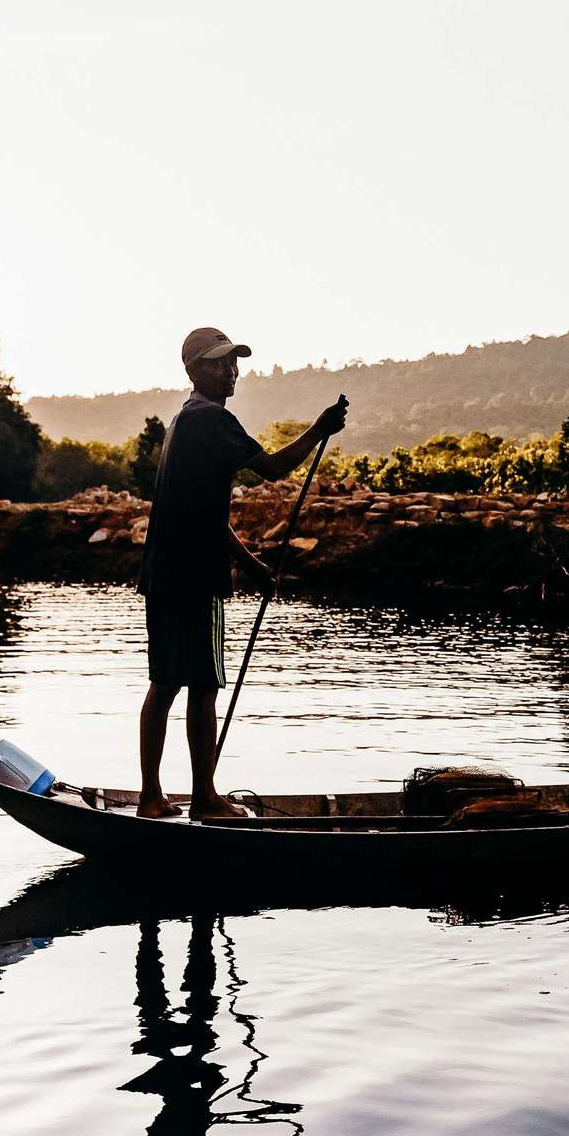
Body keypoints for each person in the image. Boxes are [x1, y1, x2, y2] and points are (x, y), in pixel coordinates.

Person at [136, 327, 348, 819]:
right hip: (194, 577)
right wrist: (319, 429)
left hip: (164, 574)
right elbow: (272, 468)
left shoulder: (183, 422)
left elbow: (203, 512)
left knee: (165, 683)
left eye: (233, 362)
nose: (230, 369)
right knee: (204, 685)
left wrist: (251, 565)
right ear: (194, 370)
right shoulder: (213, 420)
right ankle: (205, 801)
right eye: (218, 362)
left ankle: (151, 798)